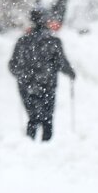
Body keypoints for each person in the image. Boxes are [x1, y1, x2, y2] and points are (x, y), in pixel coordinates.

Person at [8, 8, 76, 141]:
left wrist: (23, 75)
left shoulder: (22, 42)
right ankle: (46, 148)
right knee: (47, 118)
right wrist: (71, 73)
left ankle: (29, 146)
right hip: (47, 84)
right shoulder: (52, 42)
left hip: (26, 86)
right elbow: (61, 63)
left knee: (32, 118)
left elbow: (12, 65)